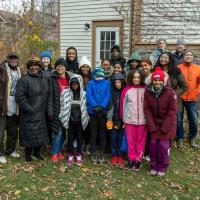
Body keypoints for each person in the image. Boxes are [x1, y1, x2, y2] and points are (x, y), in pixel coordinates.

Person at [15, 58, 51, 162]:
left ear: (39, 67)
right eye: (32, 65)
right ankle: (28, 155)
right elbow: (20, 97)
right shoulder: (24, 80)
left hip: (41, 111)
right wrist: (29, 109)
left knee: (40, 134)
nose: (34, 67)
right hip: (29, 112)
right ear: (28, 67)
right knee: (29, 134)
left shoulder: (43, 79)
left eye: (36, 65)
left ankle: (37, 153)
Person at [144, 67, 177, 176]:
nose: (157, 82)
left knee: (162, 146)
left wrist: (164, 128)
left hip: (167, 125)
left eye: (159, 80)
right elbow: (147, 110)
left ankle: (162, 166)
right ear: (152, 81)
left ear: (163, 81)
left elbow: (172, 112)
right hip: (154, 124)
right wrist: (152, 126)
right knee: (153, 145)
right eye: (155, 80)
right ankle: (154, 166)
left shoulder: (170, 93)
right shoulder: (148, 92)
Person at [120, 69, 147, 171]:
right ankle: (131, 159)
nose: (136, 79)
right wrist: (124, 118)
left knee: (140, 141)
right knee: (130, 141)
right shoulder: (126, 90)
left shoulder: (146, 89)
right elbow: (123, 105)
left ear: (142, 78)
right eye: (134, 77)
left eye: (138, 77)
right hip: (129, 120)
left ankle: (138, 159)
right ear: (131, 78)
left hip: (143, 121)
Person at [59, 75, 89, 166]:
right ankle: (70, 154)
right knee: (70, 138)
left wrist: (86, 117)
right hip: (70, 121)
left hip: (80, 121)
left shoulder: (83, 94)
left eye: (76, 84)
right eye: (73, 84)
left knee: (80, 138)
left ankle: (79, 154)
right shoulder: (66, 93)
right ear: (70, 84)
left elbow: (86, 107)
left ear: (79, 84)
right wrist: (62, 116)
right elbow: (62, 104)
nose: (75, 86)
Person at [48, 58, 74, 163]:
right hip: (56, 109)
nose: (60, 67)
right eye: (58, 65)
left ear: (65, 67)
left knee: (63, 132)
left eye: (62, 65)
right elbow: (49, 96)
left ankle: (59, 151)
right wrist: (50, 111)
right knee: (57, 132)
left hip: (67, 109)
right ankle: (54, 152)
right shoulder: (52, 79)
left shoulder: (70, 79)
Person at [0, 52, 22, 164]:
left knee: (13, 132)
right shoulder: (2, 69)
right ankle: (1, 153)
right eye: (11, 58)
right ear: (8, 59)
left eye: (15, 58)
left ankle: (10, 150)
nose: (13, 60)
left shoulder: (20, 71)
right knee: (1, 132)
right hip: (2, 106)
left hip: (15, 105)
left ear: (17, 60)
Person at [86, 67, 111, 164]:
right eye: (97, 75)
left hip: (102, 112)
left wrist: (102, 106)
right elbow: (89, 95)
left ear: (103, 76)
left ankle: (101, 151)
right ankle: (92, 151)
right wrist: (95, 106)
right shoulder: (91, 83)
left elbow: (107, 95)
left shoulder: (106, 83)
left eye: (101, 75)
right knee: (93, 132)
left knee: (102, 132)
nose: (99, 77)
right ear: (94, 76)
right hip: (93, 112)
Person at [177, 51, 200, 148]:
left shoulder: (198, 68)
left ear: (193, 57)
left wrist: (197, 92)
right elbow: (175, 81)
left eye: (190, 55)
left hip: (192, 98)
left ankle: (192, 138)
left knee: (194, 120)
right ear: (184, 57)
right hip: (180, 98)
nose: (189, 56)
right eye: (187, 55)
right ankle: (180, 138)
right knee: (179, 119)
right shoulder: (178, 68)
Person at [107, 73, 125, 165]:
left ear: (122, 82)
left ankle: (120, 154)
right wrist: (109, 119)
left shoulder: (125, 92)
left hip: (123, 120)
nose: (118, 84)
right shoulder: (112, 93)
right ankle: (114, 155)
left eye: (119, 82)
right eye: (116, 82)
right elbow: (110, 107)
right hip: (113, 119)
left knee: (121, 138)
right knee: (114, 138)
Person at [78, 56, 92, 154]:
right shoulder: (77, 77)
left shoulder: (92, 78)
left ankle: (88, 144)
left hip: (90, 104)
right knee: (81, 125)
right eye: (83, 67)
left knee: (89, 126)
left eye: (87, 67)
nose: (85, 69)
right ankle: (81, 144)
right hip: (80, 103)